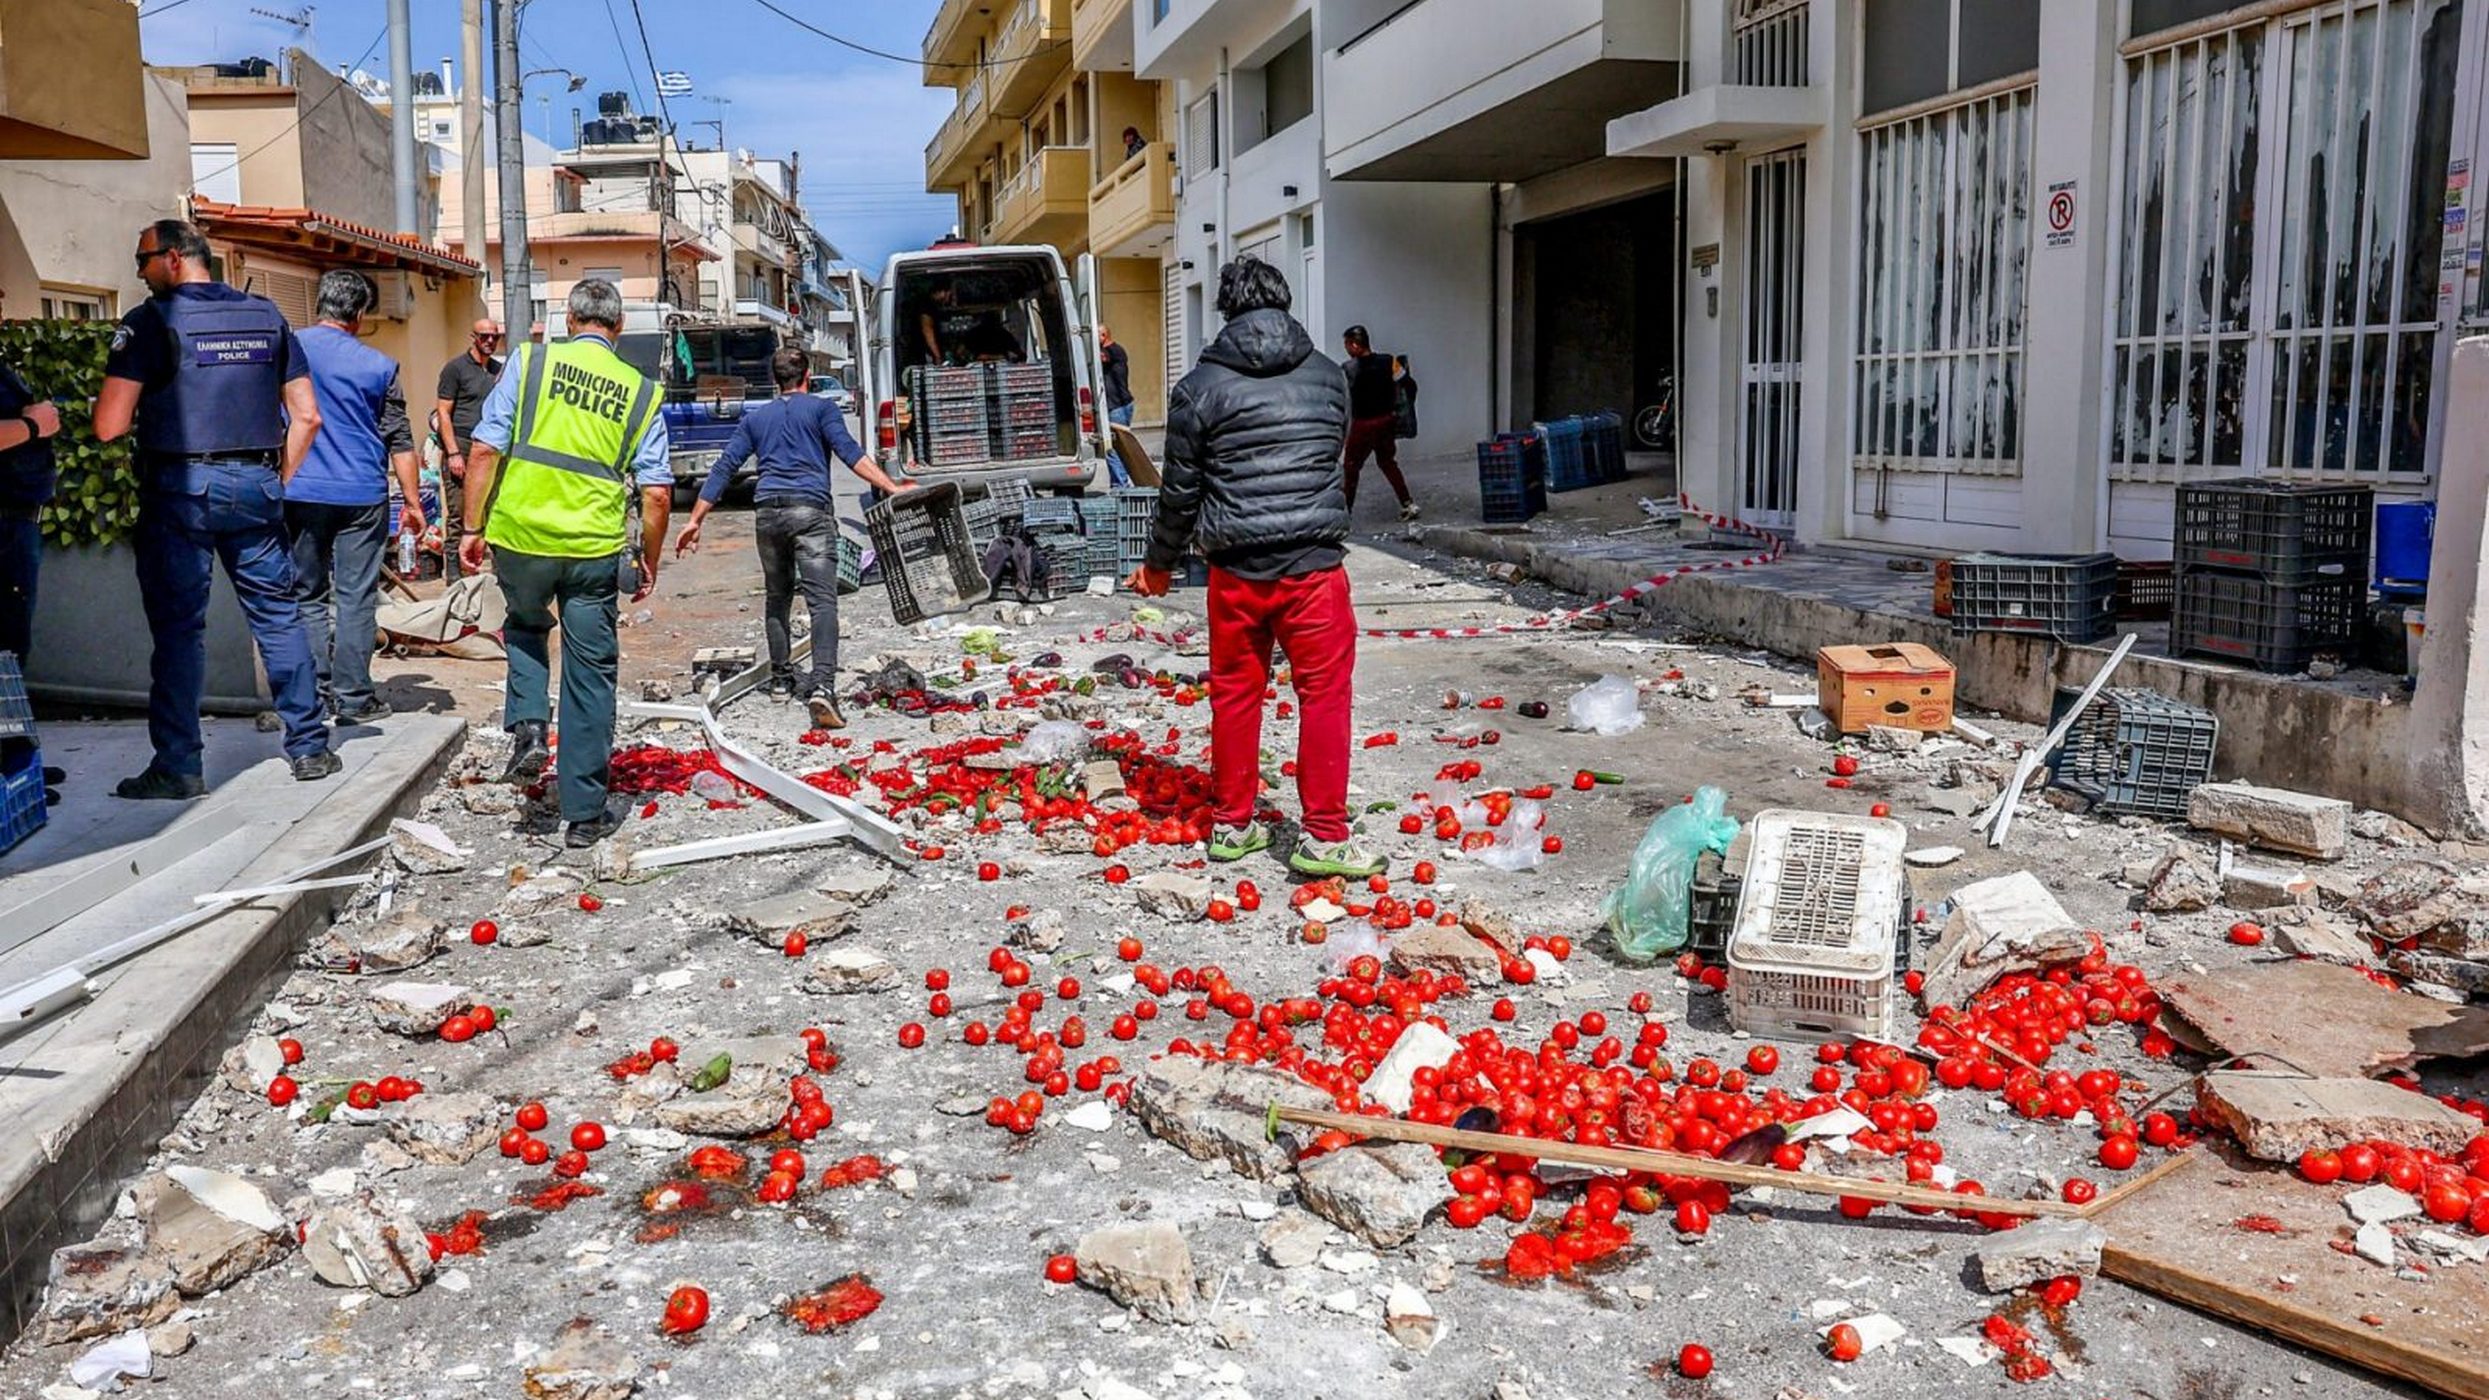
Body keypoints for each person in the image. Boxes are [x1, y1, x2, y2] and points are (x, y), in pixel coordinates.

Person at [1126, 257, 1382, 879]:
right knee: (1324, 697)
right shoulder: (1329, 376)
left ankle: (1232, 824)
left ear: (1226, 309)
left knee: (1236, 696)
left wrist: (1158, 565)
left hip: (1236, 575)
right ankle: (1323, 838)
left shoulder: (1199, 388)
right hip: (1316, 571)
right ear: (1284, 301)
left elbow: (1180, 492)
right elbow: (1334, 454)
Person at [91, 218, 337, 798]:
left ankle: (178, 767)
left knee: (180, 632)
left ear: (174, 258)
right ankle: (310, 749)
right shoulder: (266, 315)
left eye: (143, 258)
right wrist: (276, 477)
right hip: (257, 484)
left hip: (182, 490)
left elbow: (107, 426)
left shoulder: (151, 322)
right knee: (279, 618)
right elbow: (307, 416)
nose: (139, 270)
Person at [457, 279, 671, 848]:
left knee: (525, 628)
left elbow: (484, 448)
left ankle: (529, 725)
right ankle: (583, 814)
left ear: (569, 321)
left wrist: (471, 528)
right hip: (592, 550)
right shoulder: (641, 391)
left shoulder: (528, 362)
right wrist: (648, 560)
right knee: (590, 673)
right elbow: (655, 493)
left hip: (521, 538)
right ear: (618, 329)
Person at [674, 347, 911, 730]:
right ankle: (822, 687)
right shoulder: (822, 410)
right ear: (807, 377)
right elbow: (851, 454)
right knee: (822, 603)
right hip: (810, 513)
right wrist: (892, 487)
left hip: (768, 514)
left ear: (775, 380)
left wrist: (695, 520)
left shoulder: (757, 417)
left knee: (777, 597)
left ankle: (782, 679)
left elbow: (725, 467)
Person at [287, 271, 425, 726]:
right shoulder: (380, 366)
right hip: (363, 494)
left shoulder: (288, 349)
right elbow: (399, 439)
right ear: (361, 313)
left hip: (300, 490)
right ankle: (353, 698)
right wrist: (413, 503)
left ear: (320, 303)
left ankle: (314, 693)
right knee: (355, 597)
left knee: (306, 595)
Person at [0, 282, 63, 667]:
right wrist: (33, 426)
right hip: (5, 525)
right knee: (7, 643)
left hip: (16, 525)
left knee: (11, 639)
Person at [433, 318, 504, 580]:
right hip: (462, 445)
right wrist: (452, 453)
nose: (489, 341)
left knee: (495, 510)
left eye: (494, 337)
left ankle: (498, 578)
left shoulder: (500, 371)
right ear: (473, 337)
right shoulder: (455, 369)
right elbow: (443, 412)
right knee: (459, 514)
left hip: (492, 447)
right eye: (484, 336)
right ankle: (454, 580)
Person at [1340, 325, 1418, 523]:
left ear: (1355, 345)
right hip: (1386, 421)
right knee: (1387, 462)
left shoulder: (1349, 369)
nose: (1347, 349)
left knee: (1351, 467)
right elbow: (1409, 384)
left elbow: (1342, 397)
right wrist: (1403, 411)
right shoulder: (1389, 361)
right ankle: (1408, 503)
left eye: (1347, 345)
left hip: (1362, 425)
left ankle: (1345, 511)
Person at [1100, 323, 1135, 488]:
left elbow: (1104, 357)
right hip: (1117, 406)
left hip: (1118, 407)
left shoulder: (1115, 351)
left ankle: (1120, 486)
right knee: (1116, 448)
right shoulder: (1108, 353)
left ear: (1104, 336)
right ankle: (1118, 484)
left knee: (1113, 448)